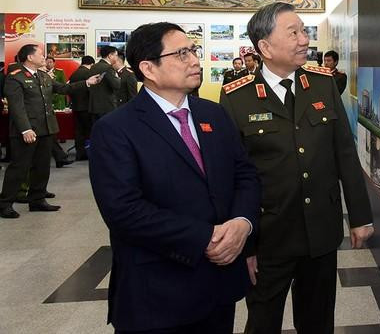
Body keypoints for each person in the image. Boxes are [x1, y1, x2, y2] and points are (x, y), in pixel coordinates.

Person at [89, 22, 260, 333]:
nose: (195, 60)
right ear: (148, 68)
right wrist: (205, 237)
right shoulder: (116, 129)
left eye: (193, 51)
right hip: (157, 294)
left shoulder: (214, 115)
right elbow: (124, 211)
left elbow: (244, 173)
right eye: (182, 54)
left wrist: (242, 224)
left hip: (218, 288)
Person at [220, 2, 373, 334]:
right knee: (262, 321)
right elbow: (231, 176)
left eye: (304, 30)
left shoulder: (322, 84)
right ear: (265, 47)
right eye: (294, 32)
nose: (305, 39)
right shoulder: (237, 97)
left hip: (320, 231)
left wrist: (360, 217)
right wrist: (244, 243)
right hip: (268, 236)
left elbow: (345, 153)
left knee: (317, 321)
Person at [0, 43, 99, 219]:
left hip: (46, 128)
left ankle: (37, 200)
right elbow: (17, 107)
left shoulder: (43, 76)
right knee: (19, 168)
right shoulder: (15, 78)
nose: (44, 57)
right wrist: (25, 129)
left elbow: (63, 88)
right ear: (30, 57)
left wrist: (87, 83)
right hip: (27, 131)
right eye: (40, 54)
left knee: (42, 166)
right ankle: (5, 204)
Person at [69, 55, 95, 160]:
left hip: (76, 106)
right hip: (86, 106)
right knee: (88, 131)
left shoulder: (74, 74)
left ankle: (79, 153)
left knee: (78, 131)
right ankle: (87, 152)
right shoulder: (89, 74)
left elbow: (70, 89)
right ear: (91, 64)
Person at [89, 45, 121, 123]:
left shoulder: (93, 67)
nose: (117, 58)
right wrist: (118, 78)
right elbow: (117, 85)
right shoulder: (108, 68)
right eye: (116, 55)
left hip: (94, 106)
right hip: (106, 107)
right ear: (110, 55)